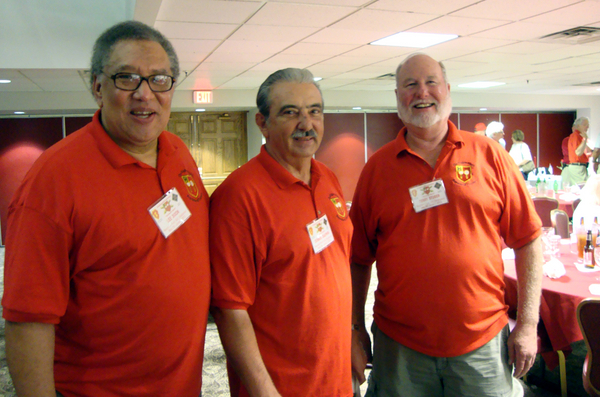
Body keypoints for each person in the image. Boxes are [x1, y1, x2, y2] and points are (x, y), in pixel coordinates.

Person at [2, 21, 210, 397]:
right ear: (97, 87)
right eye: (127, 78)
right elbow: (27, 321)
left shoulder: (177, 152)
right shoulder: (53, 181)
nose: (145, 95)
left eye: (160, 79)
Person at [350, 53, 543, 397]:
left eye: (430, 83)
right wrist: (353, 327)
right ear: (397, 97)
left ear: (447, 91)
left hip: (482, 343)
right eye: (410, 85)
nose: (421, 92)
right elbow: (357, 259)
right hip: (400, 348)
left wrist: (527, 324)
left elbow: (528, 239)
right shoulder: (377, 170)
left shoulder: (491, 156)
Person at [209, 68, 353, 397]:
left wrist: (352, 341)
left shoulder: (326, 178)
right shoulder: (239, 197)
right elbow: (229, 309)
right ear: (262, 123)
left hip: (335, 378)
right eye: (290, 113)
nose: (306, 124)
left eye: (314, 111)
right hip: (280, 386)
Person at [567, 116, 591, 185]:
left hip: (581, 166)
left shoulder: (580, 136)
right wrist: (585, 139)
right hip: (577, 166)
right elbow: (578, 152)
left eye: (588, 125)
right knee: (581, 188)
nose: (587, 127)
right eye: (585, 125)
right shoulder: (576, 136)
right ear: (578, 126)